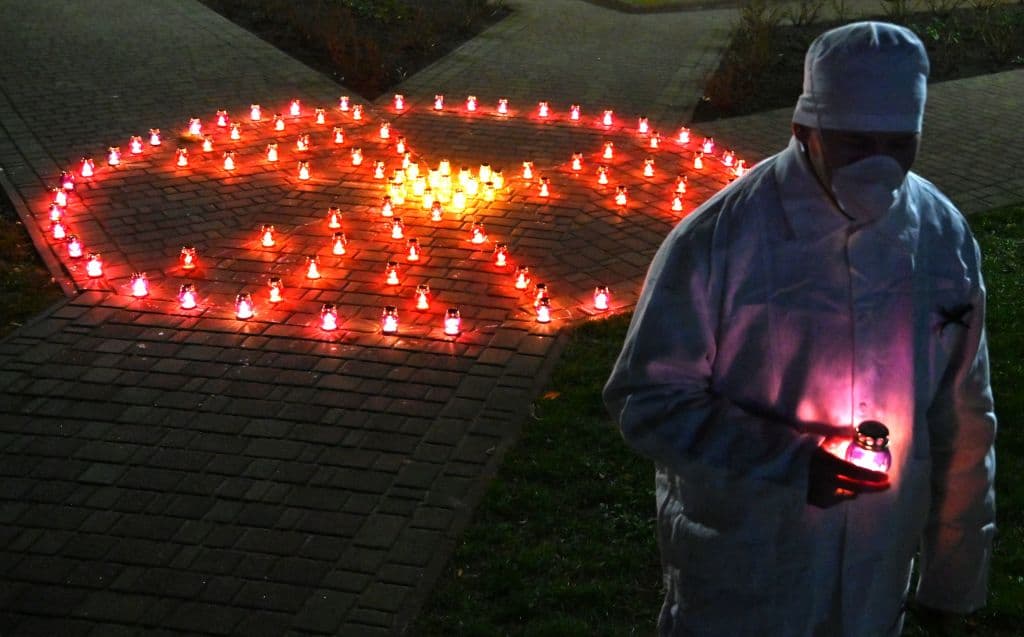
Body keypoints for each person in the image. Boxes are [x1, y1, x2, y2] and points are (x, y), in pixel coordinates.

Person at [603, 22, 996, 637]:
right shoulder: (720, 239)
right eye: (854, 141)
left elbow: (965, 417)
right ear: (802, 131)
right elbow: (648, 400)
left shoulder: (943, 239)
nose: (878, 164)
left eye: (898, 143)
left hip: (875, 577)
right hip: (745, 571)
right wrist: (788, 462)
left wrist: (953, 579)